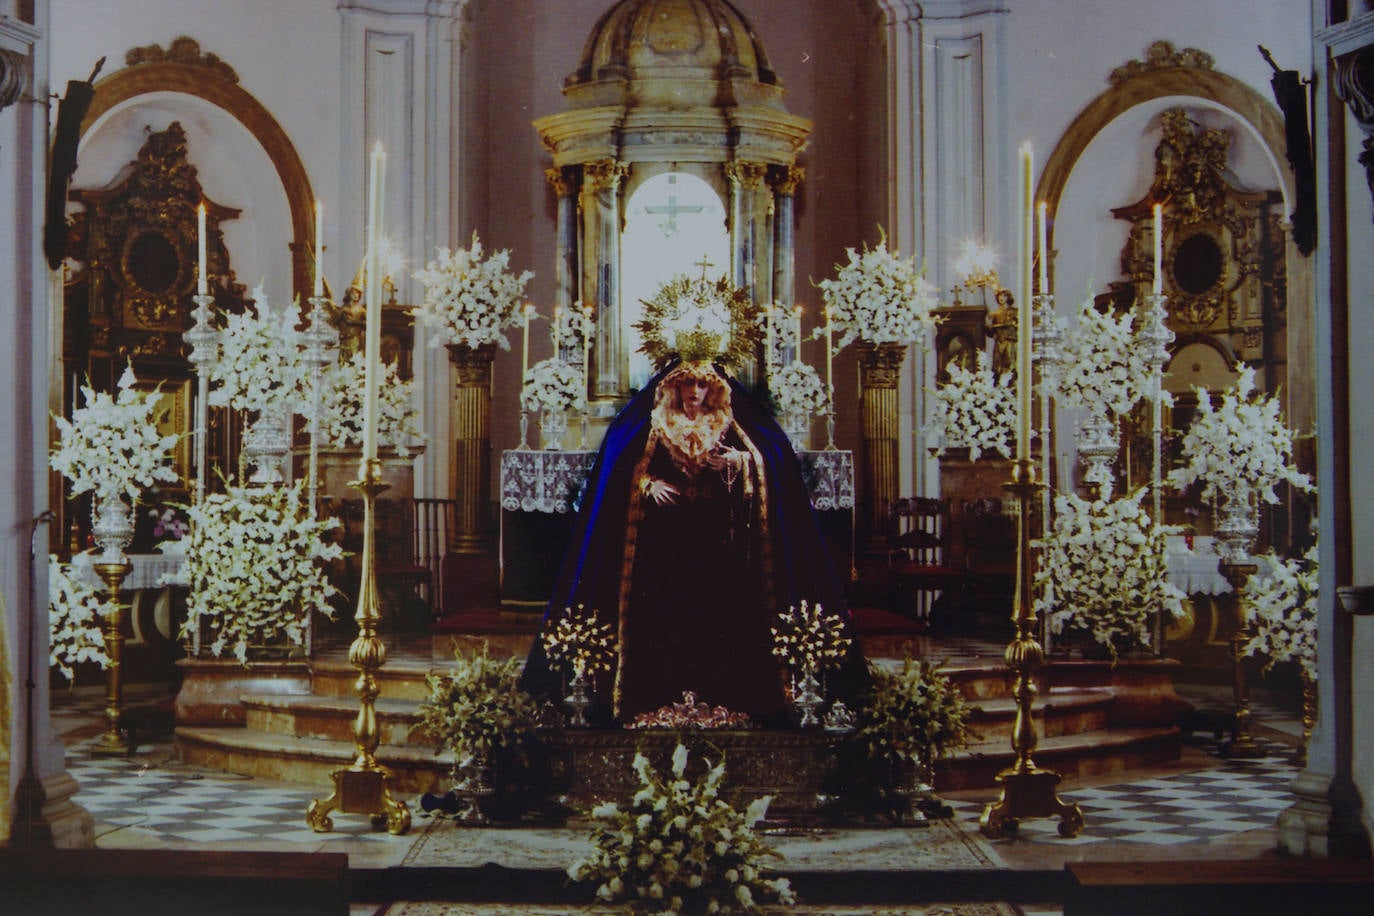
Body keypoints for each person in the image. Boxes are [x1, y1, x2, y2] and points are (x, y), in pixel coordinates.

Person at [520, 357, 867, 724]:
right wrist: (647, 484)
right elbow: (620, 470)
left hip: (718, 547)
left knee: (719, 622)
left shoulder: (730, 423)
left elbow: (770, 461)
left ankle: (727, 700)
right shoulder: (654, 423)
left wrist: (740, 462)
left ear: (714, 390)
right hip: (662, 549)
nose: (695, 392)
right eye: (688, 384)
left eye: (702, 385)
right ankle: (655, 699)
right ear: (675, 387)